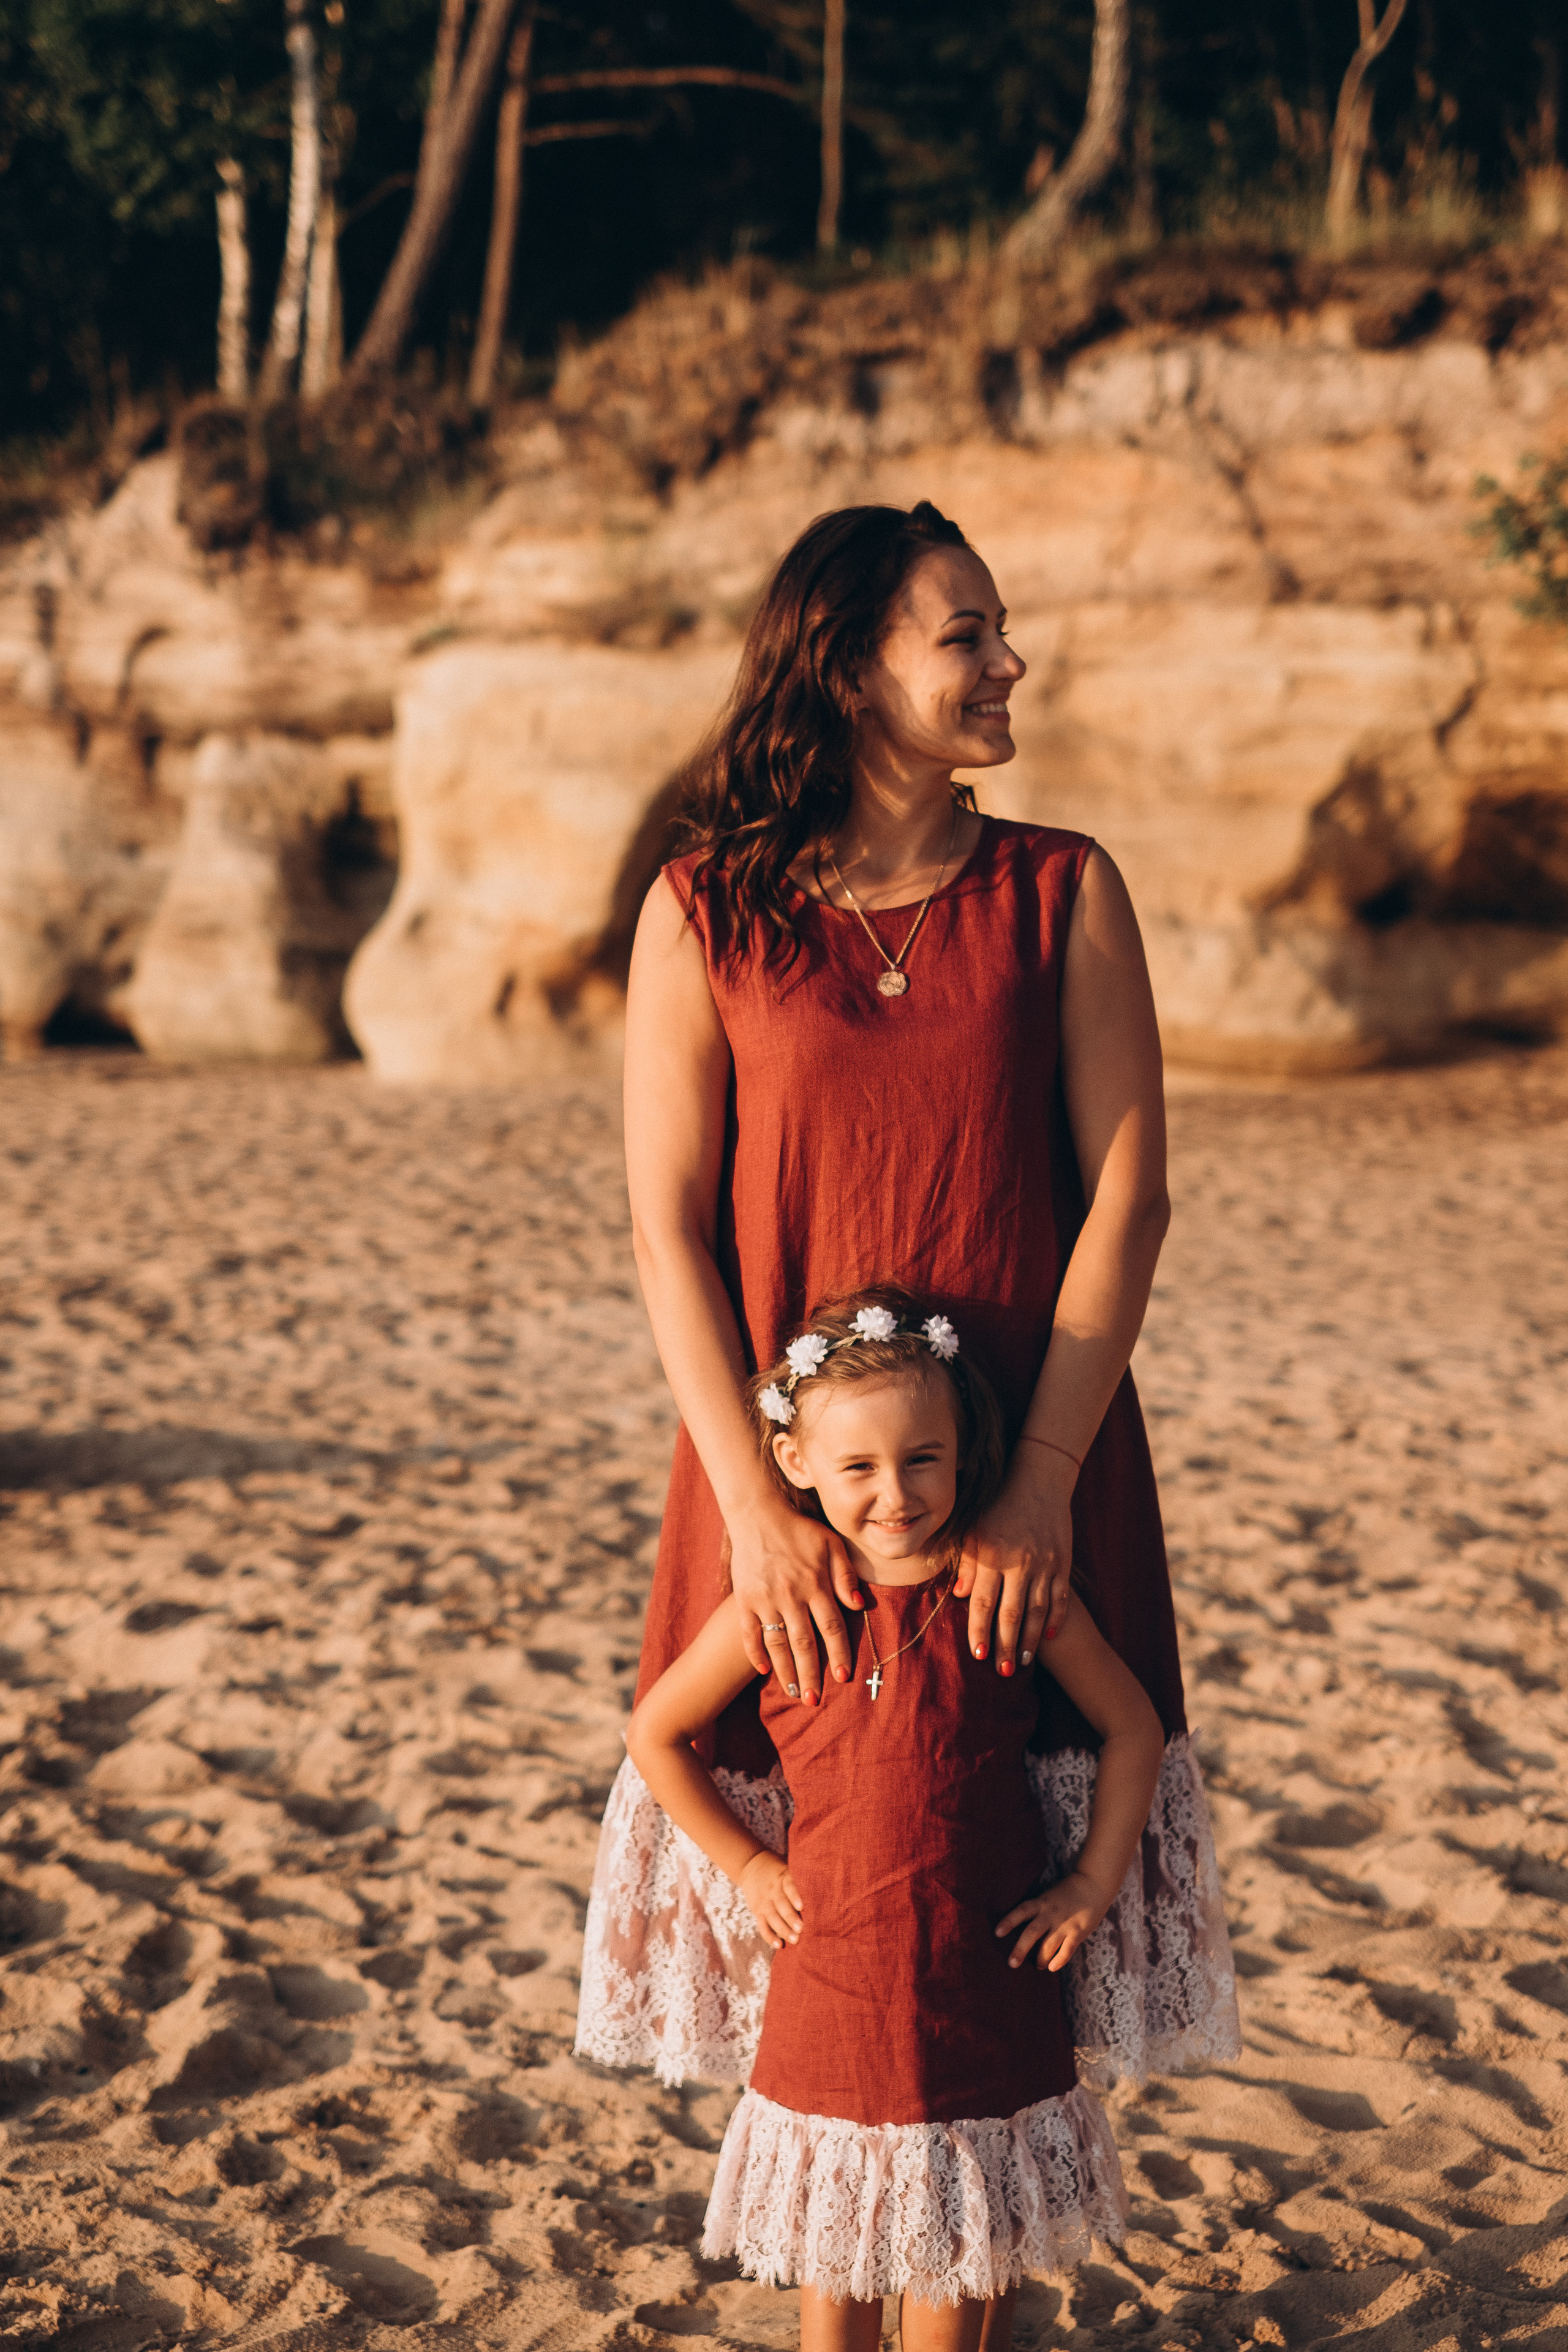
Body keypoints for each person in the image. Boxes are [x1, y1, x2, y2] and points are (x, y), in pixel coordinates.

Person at [576, 499, 1238, 2092]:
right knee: (819, 1912)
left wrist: (1039, 1489)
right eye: (969, 636)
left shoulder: (1064, 891)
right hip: (793, 1490)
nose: (1013, 661)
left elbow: (1130, 1195)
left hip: (1027, 1469)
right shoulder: (704, 911)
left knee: (1010, 1911)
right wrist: (753, 1502)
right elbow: (667, 1225)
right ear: (854, 670)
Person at [626, 1290, 1165, 2352]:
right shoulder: (780, 1605)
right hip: (833, 1969)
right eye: (859, 1468)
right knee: (840, 2246)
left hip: (983, 1969)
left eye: (924, 1459)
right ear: (795, 1466)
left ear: (968, 1453)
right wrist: (744, 1863)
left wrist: (1092, 1883)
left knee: (970, 2233)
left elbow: (1133, 1729)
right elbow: (656, 1737)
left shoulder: (1004, 1588)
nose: (894, 1494)